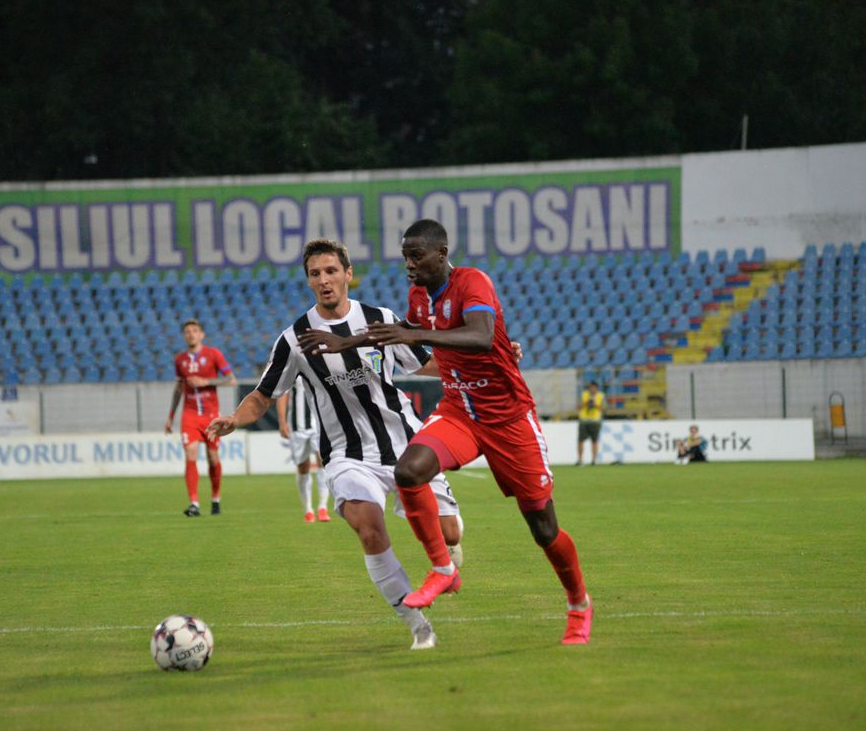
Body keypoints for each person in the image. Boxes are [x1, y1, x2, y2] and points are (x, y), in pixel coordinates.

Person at [338, 218, 592, 645]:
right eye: (405, 256)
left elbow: (479, 335)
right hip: (460, 412)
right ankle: (443, 569)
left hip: (508, 419)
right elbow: (435, 348)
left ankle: (578, 604)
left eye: (416, 255)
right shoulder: (418, 297)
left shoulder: (472, 282)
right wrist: (352, 343)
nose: (409, 264)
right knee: (410, 470)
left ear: (441, 253)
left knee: (543, 528)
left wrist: (414, 332)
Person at [208, 238, 464, 650]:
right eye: (315, 274)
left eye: (331, 271)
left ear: (348, 274)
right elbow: (263, 394)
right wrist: (234, 419)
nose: (324, 280)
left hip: (405, 444)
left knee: (449, 532)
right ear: (308, 281)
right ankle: (418, 626)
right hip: (346, 455)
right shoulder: (294, 339)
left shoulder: (379, 318)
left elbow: (426, 362)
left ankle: (450, 553)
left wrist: (490, 360)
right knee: (369, 529)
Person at [165, 319, 236, 516]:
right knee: (190, 454)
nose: (191, 334)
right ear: (184, 335)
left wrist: (206, 382)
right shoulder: (180, 360)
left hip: (211, 415)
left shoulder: (213, 354)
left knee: (213, 458)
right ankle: (194, 503)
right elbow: (179, 388)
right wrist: (171, 416)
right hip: (189, 415)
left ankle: (215, 498)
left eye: (194, 331)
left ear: (201, 334)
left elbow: (231, 380)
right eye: (187, 331)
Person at [276, 378, 332, 523]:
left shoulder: (321, 363)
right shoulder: (293, 364)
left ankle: (322, 507)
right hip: (297, 427)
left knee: (323, 460)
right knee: (303, 467)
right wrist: (282, 422)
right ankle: (308, 509)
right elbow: (282, 394)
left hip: (319, 424)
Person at [577, 380, 605, 465]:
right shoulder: (584, 395)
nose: (592, 389)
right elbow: (578, 407)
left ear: (596, 388)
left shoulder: (601, 396)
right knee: (580, 441)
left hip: (595, 421)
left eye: (593, 387)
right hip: (584, 421)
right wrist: (587, 403)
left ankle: (593, 460)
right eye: (590, 387)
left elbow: (604, 409)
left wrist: (595, 404)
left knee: (594, 441)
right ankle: (580, 460)